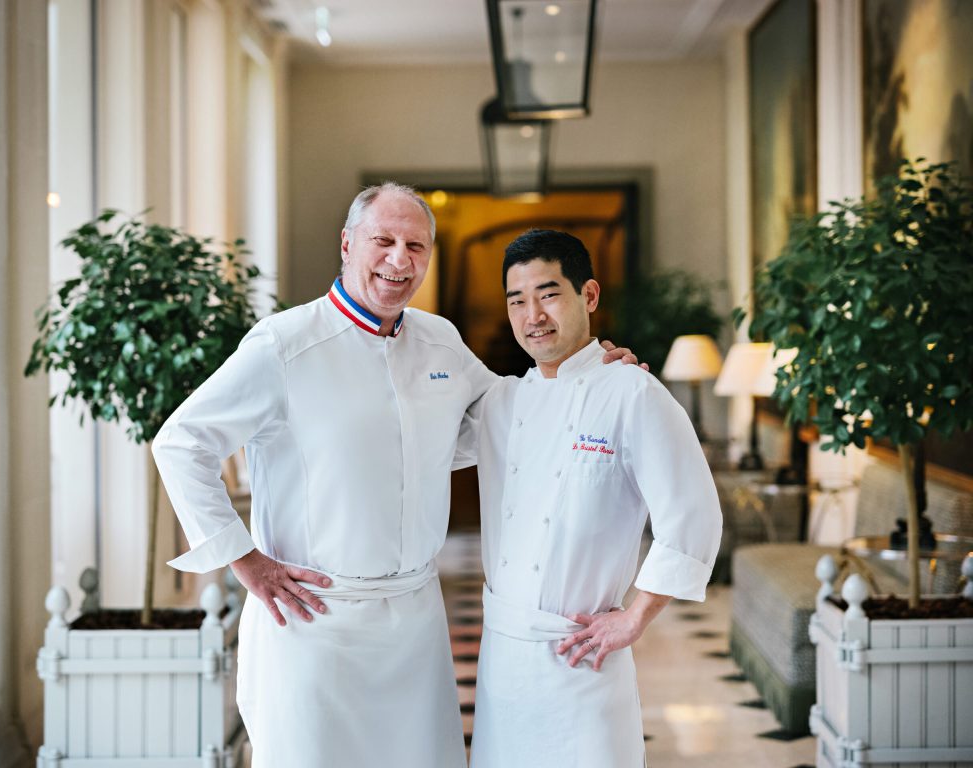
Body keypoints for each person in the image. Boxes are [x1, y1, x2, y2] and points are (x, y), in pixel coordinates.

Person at [152, 184, 639, 768]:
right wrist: (245, 561)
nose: (399, 259)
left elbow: (513, 417)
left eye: (416, 246)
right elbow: (182, 442)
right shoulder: (284, 343)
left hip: (414, 623)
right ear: (347, 245)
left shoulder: (439, 340)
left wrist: (591, 374)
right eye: (383, 240)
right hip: (312, 624)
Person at [464, 229, 723, 767]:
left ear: (589, 295)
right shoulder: (498, 403)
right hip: (503, 663)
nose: (533, 316)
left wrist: (636, 617)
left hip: (583, 658)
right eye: (517, 301)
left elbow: (693, 516)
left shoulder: (633, 392)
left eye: (549, 294)